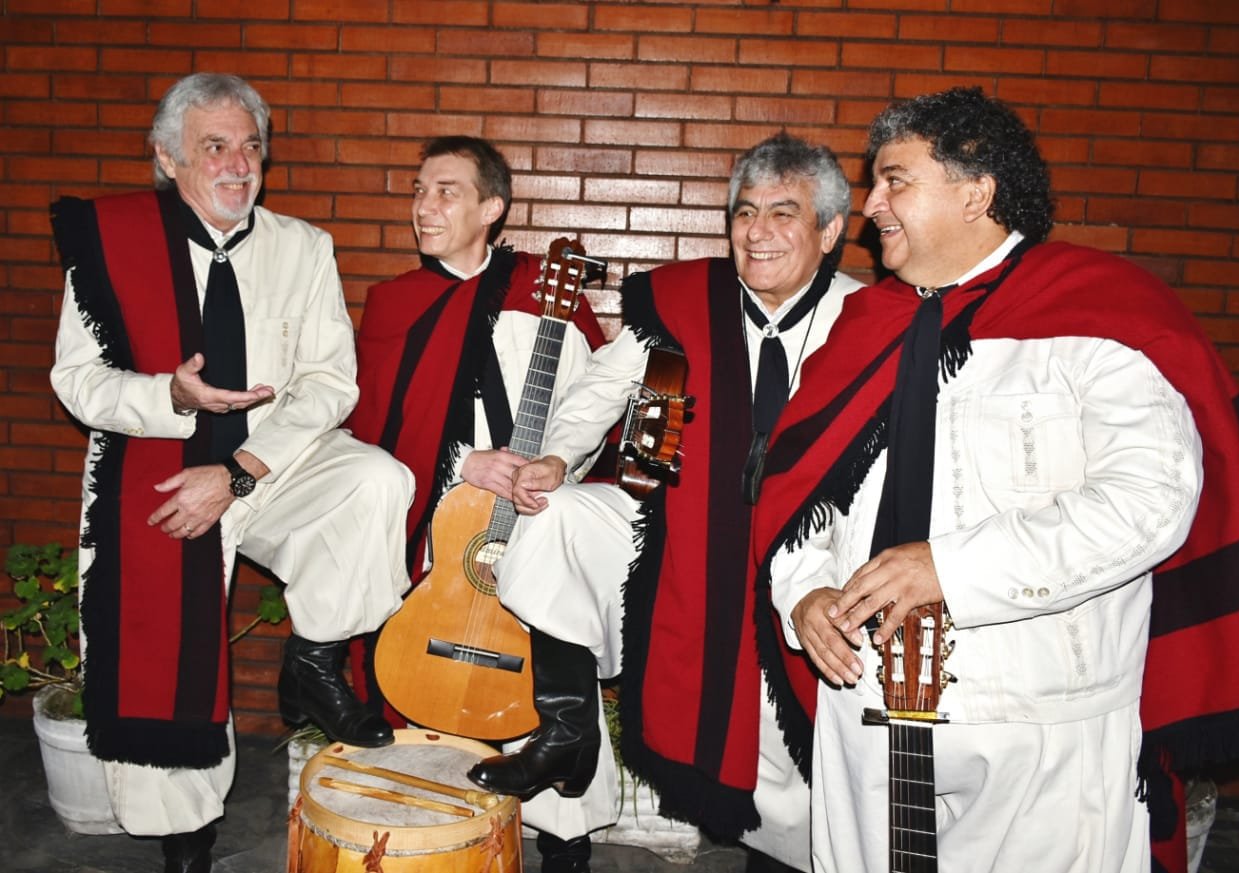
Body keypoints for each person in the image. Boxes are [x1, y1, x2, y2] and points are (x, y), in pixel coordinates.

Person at [755, 87, 1239, 873]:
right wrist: (804, 594)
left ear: (978, 191)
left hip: (1042, 723)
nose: (873, 206)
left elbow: (1151, 501)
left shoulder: (1103, 312)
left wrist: (949, 568)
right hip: (864, 710)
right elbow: (803, 501)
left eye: (896, 179)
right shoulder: (861, 327)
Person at [48, 73, 415, 872]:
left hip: (270, 463)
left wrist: (243, 467)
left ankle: (313, 661)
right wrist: (166, 395)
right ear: (167, 158)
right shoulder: (111, 244)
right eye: (215, 146)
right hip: (160, 468)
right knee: (167, 634)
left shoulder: (303, 246)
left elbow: (331, 381)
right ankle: (185, 831)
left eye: (251, 146)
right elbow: (76, 382)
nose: (238, 163)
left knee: (378, 481)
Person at [469, 132, 863, 872]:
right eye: (745, 212)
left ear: (831, 230)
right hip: (677, 537)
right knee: (552, 514)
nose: (758, 231)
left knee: (783, 754)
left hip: (806, 557)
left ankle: (779, 854)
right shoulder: (687, 300)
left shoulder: (872, 321)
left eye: (784, 213)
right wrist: (557, 456)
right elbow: (599, 389)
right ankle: (565, 730)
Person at [342, 135, 618, 873]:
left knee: (552, 668)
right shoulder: (396, 303)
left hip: (532, 518)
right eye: (419, 190)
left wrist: (555, 471)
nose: (424, 206)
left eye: (446, 191)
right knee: (426, 686)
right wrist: (464, 464)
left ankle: (566, 843)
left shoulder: (545, 294)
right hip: (442, 528)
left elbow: (596, 408)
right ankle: (427, 841)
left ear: (492, 207)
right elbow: (370, 430)